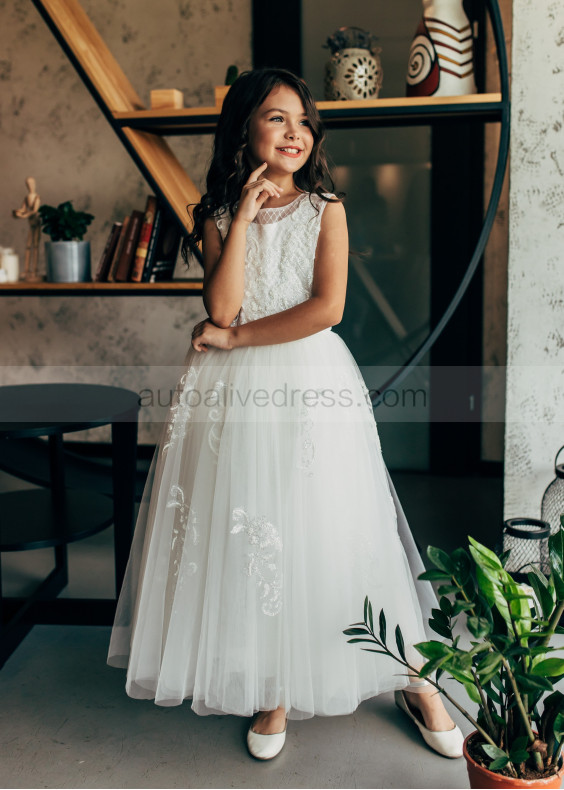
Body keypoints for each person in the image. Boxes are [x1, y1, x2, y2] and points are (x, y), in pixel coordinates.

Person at [107, 67, 463, 762]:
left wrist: (238, 338)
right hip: (229, 393)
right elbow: (221, 306)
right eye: (276, 118)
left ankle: (413, 677)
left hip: (305, 379)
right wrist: (240, 215)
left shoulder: (325, 208)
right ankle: (278, 686)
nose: (294, 132)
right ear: (244, 128)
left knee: (331, 526)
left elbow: (325, 309)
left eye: (303, 120)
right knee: (258, 531)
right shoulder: (212, 216)